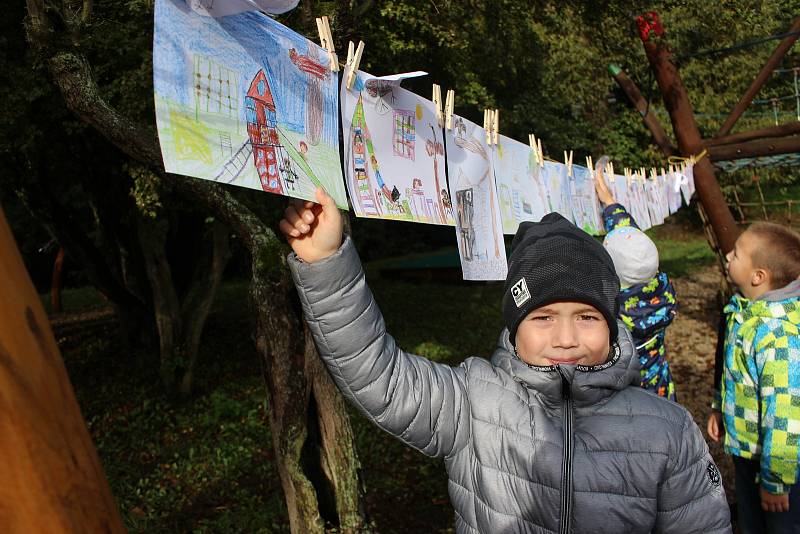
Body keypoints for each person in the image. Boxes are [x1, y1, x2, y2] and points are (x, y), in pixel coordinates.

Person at [280, 187, 730, 533]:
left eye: (588, 316)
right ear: (515, 327)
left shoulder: (668, 429)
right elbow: (379, 377)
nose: (567, 338)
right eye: (544, 317)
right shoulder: (474, 401)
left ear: (613, 323)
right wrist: (326, 265)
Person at [706, 222, 800, 533]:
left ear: (758, 276)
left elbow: (785, 413)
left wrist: (776, 481)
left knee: (779, 525)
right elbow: (731, 366)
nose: (729, 255)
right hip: (747, 450)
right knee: (750, 521)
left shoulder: (778, 337)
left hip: (779, 465)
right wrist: (720, 407)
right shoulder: (744, 311)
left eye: (737, 253)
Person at [594, 170, 678, 401]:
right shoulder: (663, 290)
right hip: (659, 386)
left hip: (627, 396)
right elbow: (634, 251)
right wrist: (610, 203)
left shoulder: (612, 310)